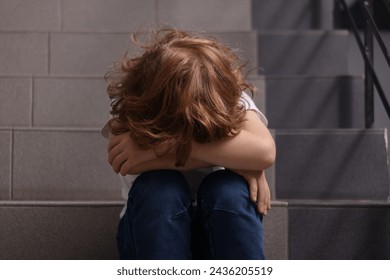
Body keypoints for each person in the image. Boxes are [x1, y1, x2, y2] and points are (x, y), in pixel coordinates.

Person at [102, 28, 276, 260]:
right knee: (160, 186)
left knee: (229, 189)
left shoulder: (224, 93)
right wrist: (239, 160)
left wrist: (169, 147)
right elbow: (126, 159)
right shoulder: (138, 98)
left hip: (216, 228)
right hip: (152, 234)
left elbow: (264, 151)